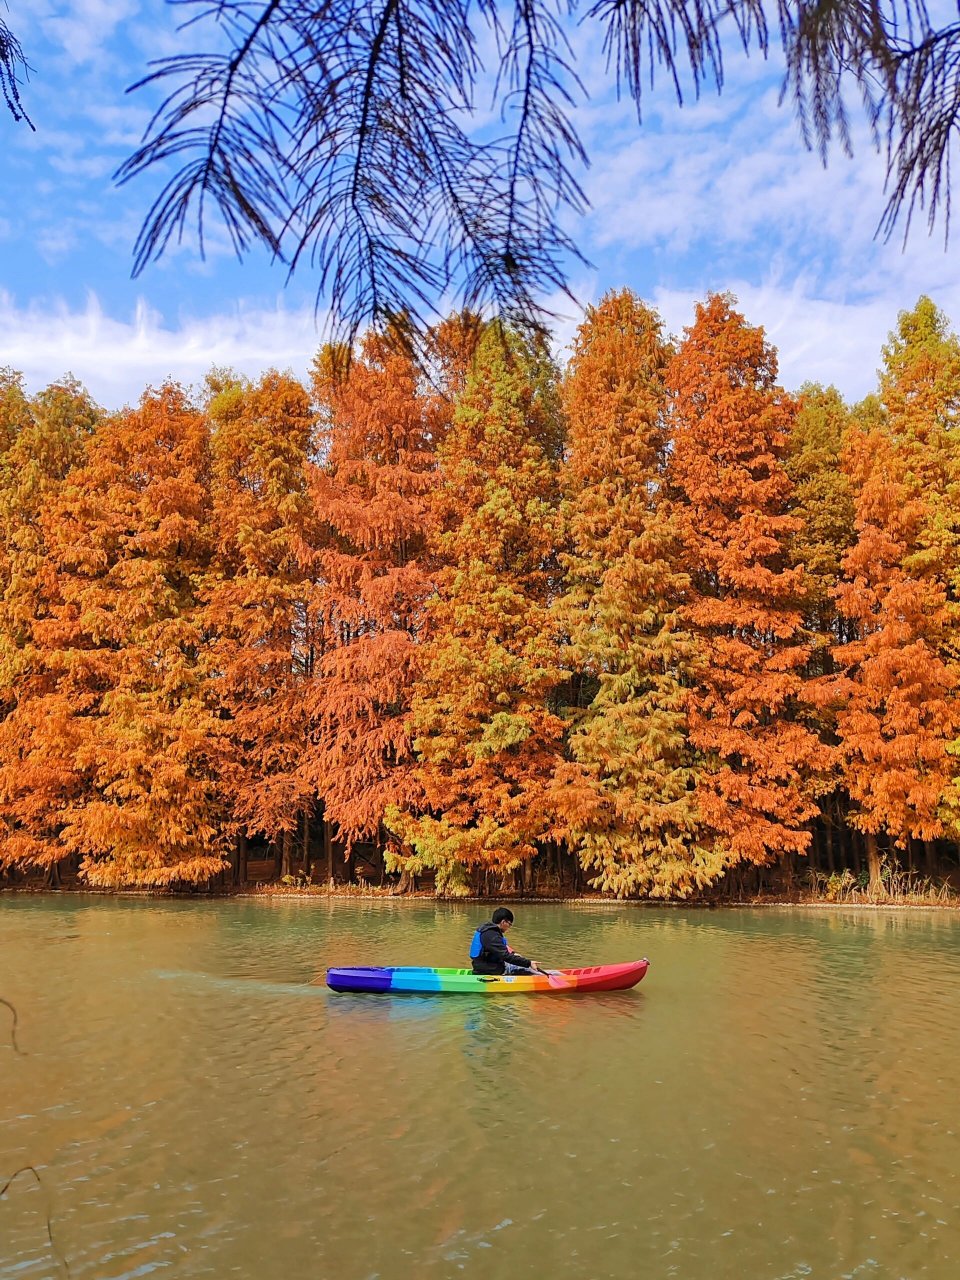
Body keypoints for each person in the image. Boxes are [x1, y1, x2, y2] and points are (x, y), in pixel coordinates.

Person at [469, 908, 546, 976]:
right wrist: (528, 963)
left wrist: (514, 954)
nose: (509, 927)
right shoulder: (492, 935)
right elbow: (505, 956)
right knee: (526, 970)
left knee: (520, 962)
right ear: (503, 922)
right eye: (509, 924)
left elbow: (500, 949)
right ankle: (544, 977)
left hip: (483, 966)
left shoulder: (488, 931)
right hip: (490, 970)